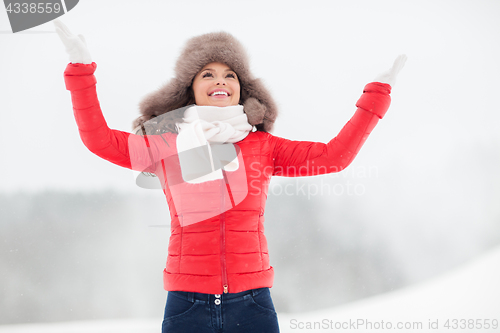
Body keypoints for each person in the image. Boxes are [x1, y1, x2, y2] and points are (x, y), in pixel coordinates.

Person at [55, 19, 406, 333]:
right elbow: (98, 139)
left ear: (243, 90)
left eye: (230, 75)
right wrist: (81, 71)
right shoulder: (165, 146)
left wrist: (376, 95)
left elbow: (334, 156)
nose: (220, 81)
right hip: (186, 305)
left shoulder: (264, 147)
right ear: (189, 89)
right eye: (207, 74)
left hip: (253, 304)